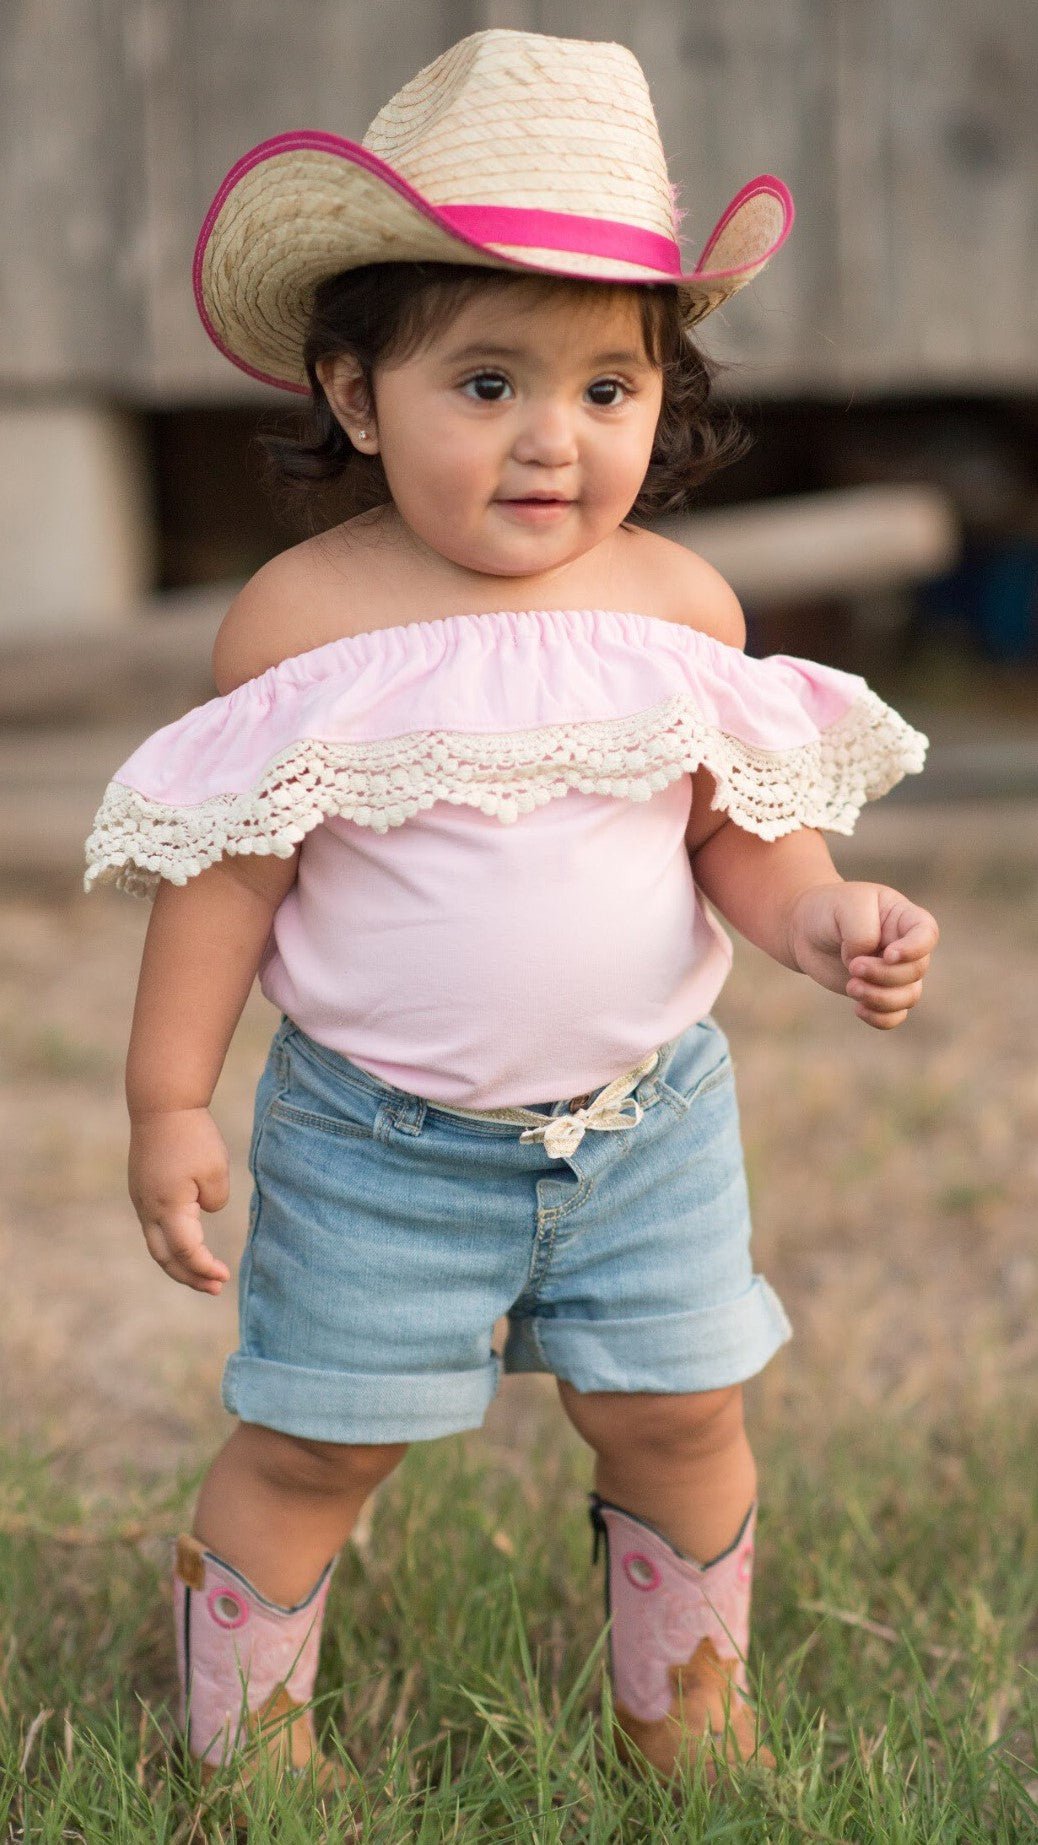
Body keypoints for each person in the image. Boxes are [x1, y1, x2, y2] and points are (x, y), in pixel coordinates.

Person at [85, 27, 938, 1801]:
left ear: (657, 397)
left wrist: (818, 916)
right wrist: (170, 1098)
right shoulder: (306, 625)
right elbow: (229, 871)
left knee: (678, 1412)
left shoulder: (679, 603)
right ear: (351, 396)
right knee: (318, 1438)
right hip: (379, 1139)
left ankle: (688, 1711)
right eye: (485, 385)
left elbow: (734, 832)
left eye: (604, 391)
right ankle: (248, 1749)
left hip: (646, 1125)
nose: (553, 440)